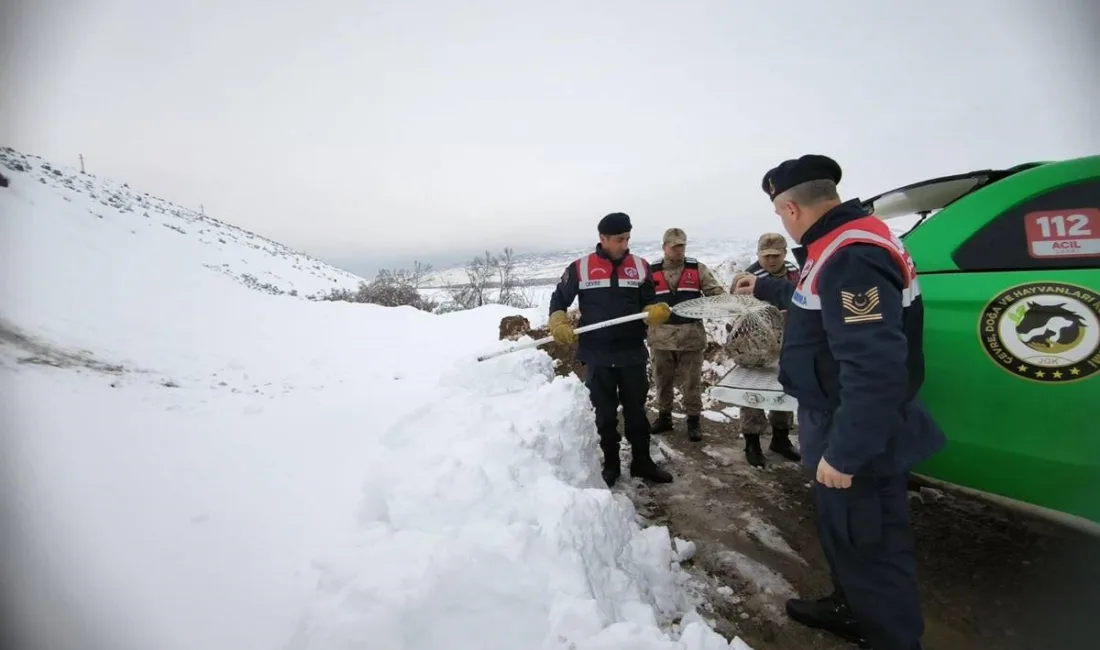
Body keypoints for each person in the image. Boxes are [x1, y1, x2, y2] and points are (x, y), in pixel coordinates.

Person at [735, 154, 946, 650]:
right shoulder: (837, 245)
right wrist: (764, 286)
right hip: (834, 416)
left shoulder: (850, 254)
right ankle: (851, 607)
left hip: (852, 425)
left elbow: (874, 367)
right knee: (844, 533)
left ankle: (890, 636)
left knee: (870, 542)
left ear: (789, 209)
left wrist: (847, 451)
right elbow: (818, 306)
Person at [547, 212, 675, 487]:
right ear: (602, 239)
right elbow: (559, 298)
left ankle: (642, 462)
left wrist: (652, 311)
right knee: (604, 414)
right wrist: (557, 320)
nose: (625, 244)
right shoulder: (581, 268)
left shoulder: (640, 267)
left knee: (636, 412)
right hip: (598, 355)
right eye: (619, 239)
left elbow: (649, 301)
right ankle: (612, 464)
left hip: (631, 353)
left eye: (628, 238)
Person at [647, 228, 727, 442]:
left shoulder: (697, 269)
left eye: (681, 246)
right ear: (664, 247)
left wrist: (714, 305)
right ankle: (664, 418)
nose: (678, 251)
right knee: (662, 381)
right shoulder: (650, 271)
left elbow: (716, 294)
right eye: (674, 247)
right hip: (661, 339)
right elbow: (640, 303)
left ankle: (693, 420)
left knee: (691, 382)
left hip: (690, 338)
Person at [730, 233, 802, 467]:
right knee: (752, 393)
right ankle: (752, 442)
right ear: (758, 254)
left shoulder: (795, 274)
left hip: (788, 342)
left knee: (784, 389)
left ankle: (780, 439)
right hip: (754, 346)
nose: (771, 260)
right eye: (766, 256)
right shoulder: (747, 278)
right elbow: (733, 311)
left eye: (776, 255)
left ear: (784, 253)